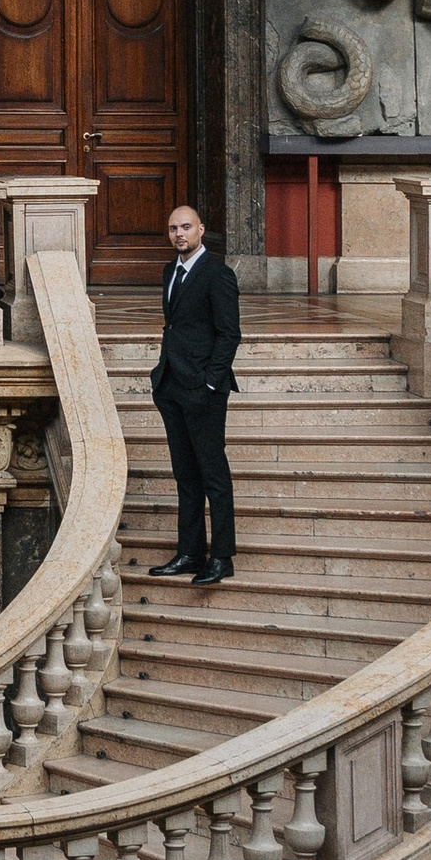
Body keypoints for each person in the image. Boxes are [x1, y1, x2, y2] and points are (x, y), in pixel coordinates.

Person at [150, 202, 240, 586]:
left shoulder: (217, 273)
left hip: (204, 390)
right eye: (173, 228)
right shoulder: (170, 270)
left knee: (212, 475)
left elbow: (229, 334)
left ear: (201, 229)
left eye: (186, 227)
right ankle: (189, 552)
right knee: (185, 476)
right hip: (172, 386)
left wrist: (209, 381)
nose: (179, 234)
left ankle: (221, 557)